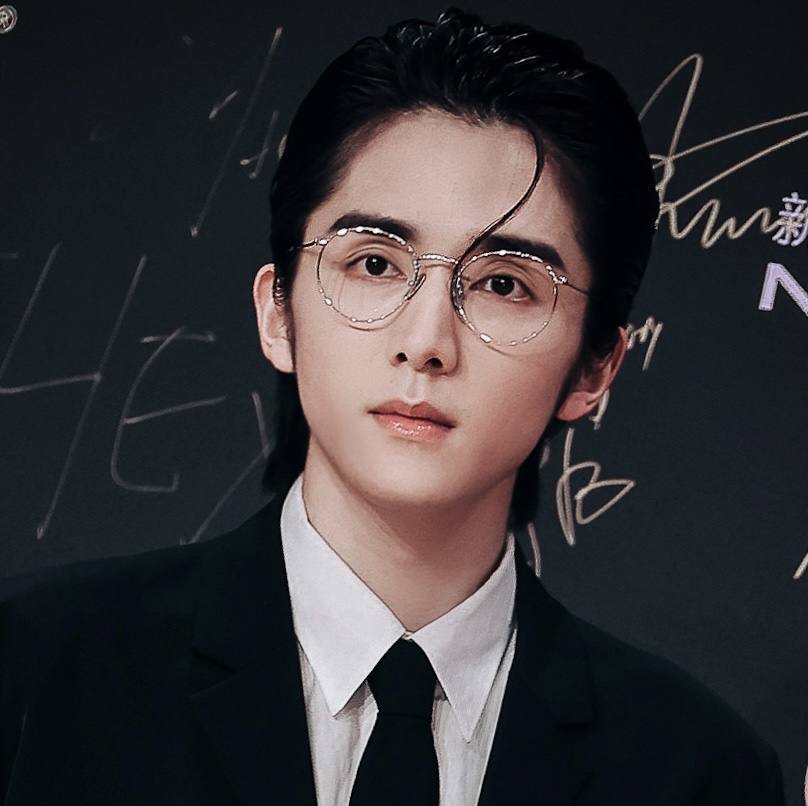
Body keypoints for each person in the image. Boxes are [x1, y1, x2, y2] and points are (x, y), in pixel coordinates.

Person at [0, 8, 785, 805]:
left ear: (594, 367)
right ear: (279, 313)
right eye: (375, 263)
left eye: (504, 283)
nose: (426, 342)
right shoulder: (33, 672)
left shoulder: (697, 771)